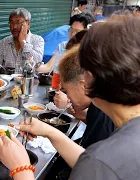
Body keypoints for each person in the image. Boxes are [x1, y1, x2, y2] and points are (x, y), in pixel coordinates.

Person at [0, 15, 140, 180]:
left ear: (88, 79)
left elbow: (96, 165)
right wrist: (51, 132)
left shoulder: (102, 161)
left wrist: (20, 169)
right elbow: (88, 161)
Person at [44, 46, 115, 180]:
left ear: (83, 85)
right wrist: (81, 115)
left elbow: (90, 167)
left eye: (67, 91)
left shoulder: (103, 113)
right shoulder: (100, 103)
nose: (68, 97)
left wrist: (49, 132)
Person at [36, 14, 88, 89]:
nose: (73, 34)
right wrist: (33, 66)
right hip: (59, 88)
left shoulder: (87, 50)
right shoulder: (62, 46)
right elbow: (49, 66)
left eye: (77, 31)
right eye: (71, 30)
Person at [0, 8, 44, 75]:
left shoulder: (38, 40)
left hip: (28, 84)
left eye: (18, 22)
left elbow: (37, 62)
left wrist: (23, 42)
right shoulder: (4, 42)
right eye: (11, 22)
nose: (14, 27)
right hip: (7, 84)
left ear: (28, 24)